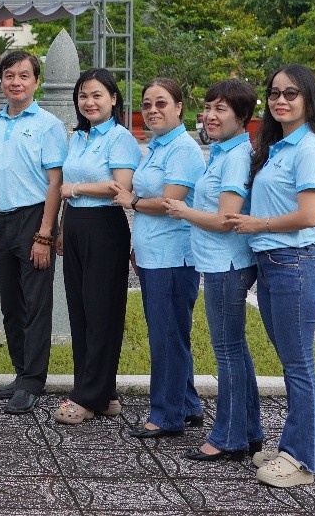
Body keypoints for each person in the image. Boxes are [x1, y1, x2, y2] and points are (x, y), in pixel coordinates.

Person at [225, 64, 315, 488]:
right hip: (275, 266)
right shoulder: (279, 146)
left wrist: (258, 224)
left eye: (291, 93)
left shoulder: (308, 148)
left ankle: (302, 460)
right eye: (274, 93)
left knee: (299, 365)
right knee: (292, 362)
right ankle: (292, 444)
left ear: (308, 99)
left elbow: (310, 215)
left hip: (295, 264)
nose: (280, 100)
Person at [163, 79, 264, 460]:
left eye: (221, 109)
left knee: (228, 351)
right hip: (220, 262)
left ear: (243, 117)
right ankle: (249, 431)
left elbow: (227, 219)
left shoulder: (236, 156)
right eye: (208, 107)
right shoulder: (223, 152)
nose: (209, 115)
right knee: (235, 348)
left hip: (229, 264)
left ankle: (228, 438)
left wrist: (183, 210)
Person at [0, 50, 66, 415]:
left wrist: (45, 234)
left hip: (33, 220)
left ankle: (33, 381)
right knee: (11, 304)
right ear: (1, 81)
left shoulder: (48, 125)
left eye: (24, 75)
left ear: (36, 82)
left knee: (36, 304)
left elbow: (56, 182)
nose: (16, 82)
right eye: (10, 75)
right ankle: (20, 371)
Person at [114, 77, 205, 439]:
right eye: (147, 104)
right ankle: (187, 403)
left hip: (174, 256)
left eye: (161, 103)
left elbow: (171, 203)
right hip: (154, 255)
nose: (152, 110)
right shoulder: (155, 146)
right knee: (170, 333)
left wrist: (131, 202)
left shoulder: (181, 149)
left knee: (167, 337)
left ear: (179, 107)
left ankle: (166, 415)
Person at [52, 68, 138, 425]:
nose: (89, 102)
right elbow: (66, 189)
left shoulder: (121, 138)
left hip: (104, 226)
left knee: (102, 312)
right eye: (83, 96)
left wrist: (77, 190)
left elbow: (120, 188)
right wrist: (60, 228)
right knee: (81, 312)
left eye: (97, 95)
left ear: (113, 99)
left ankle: (87, 396)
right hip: (75, 226)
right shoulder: (78, 138)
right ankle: (104, 394)